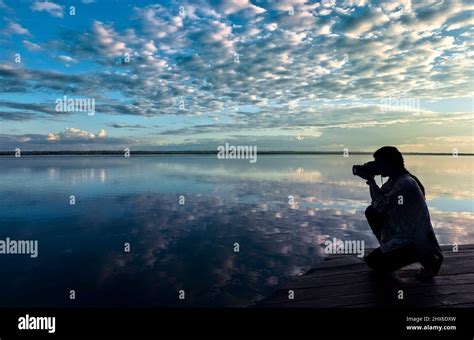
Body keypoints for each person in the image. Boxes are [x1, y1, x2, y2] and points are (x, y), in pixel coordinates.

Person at [363, 146, 443, 280]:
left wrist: (371, 182)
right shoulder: (396, 180)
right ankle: (393, 248)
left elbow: (379, 206)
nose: (376, 166)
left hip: (414, 242)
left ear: (390, 163)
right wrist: (371, 179)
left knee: (377, 264)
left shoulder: (404, 184)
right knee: (372, 260)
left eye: (379, 163)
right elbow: (378, 202)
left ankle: (428, 258)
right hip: (404, 237)